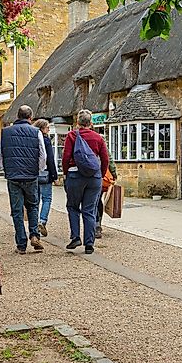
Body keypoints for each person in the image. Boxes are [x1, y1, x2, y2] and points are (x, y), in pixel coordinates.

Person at [0, 105, 47, 254]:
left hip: (13, 176)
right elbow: (43, 155)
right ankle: (34, 234)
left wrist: (5, 169)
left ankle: (21, 244)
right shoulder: (36, 132)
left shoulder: (5, 132)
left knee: (17, 210)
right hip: (30, 175)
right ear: (30, 117)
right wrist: (38, 169)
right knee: (33, 206)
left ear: (18, 116)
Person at [62, 109, 109, 254]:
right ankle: (89, 244)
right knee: (89, 210)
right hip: (93, 177)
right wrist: (99, 175)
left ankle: (76, 237)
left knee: (73, 207)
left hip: (75, 175)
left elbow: (66, 157)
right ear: (91, 123)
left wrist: (65, 173)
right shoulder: (98, 138)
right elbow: (105, 159)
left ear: (78, 122)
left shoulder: (72, 135)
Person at [33, 119, 58, 237]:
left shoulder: (32, 139)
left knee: (36, 200)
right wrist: (55, 175)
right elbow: (50, 159)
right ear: (42, 128)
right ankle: (42, 221)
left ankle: (35, 223)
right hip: (46, 173)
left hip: (33, 173)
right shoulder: (46, 140)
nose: (48, 129)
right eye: (47, 127)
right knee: (47, 199)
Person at [95, 154, 117, 239]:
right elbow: (108, 158)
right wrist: (114, 173)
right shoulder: (100, 140)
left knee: (93, 200)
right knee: (97, 200)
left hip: (85, 175)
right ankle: (97, 224)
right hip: (99, 175)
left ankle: (95, 225)